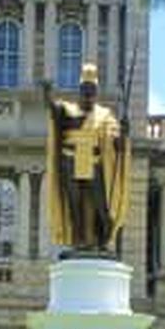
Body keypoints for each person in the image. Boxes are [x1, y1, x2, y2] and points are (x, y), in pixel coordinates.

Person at [43, 61, 130, 252]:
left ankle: (104, 239)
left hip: (94, 162)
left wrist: (123, 135)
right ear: (80, 90)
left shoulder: (104, 115)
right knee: (75, 205)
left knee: (101, 204)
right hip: (70, 161)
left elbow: (115, 142)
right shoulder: (68, 109)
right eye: (85, 89)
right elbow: (52, 108)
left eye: (92, 89)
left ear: (96, 91)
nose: (89, 93)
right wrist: (47, 92)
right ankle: (78, 241)